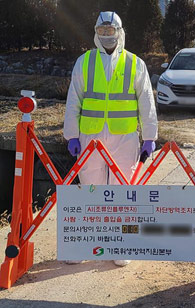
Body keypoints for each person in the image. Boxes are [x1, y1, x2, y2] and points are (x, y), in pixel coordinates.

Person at [63, 11, 158, 267]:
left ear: (120, 32)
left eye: (111, 31)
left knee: (123, 190)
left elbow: (146, 102)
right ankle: (85, 244)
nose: (107, 36)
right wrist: (71, 134)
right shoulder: (84, 62)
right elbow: (74, 100)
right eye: (102, 31)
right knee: (90, 189)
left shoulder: (135, 64)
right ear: (96, 32)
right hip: (90, 136)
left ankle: (120, 244)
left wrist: (150, 137)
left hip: (124, 136)